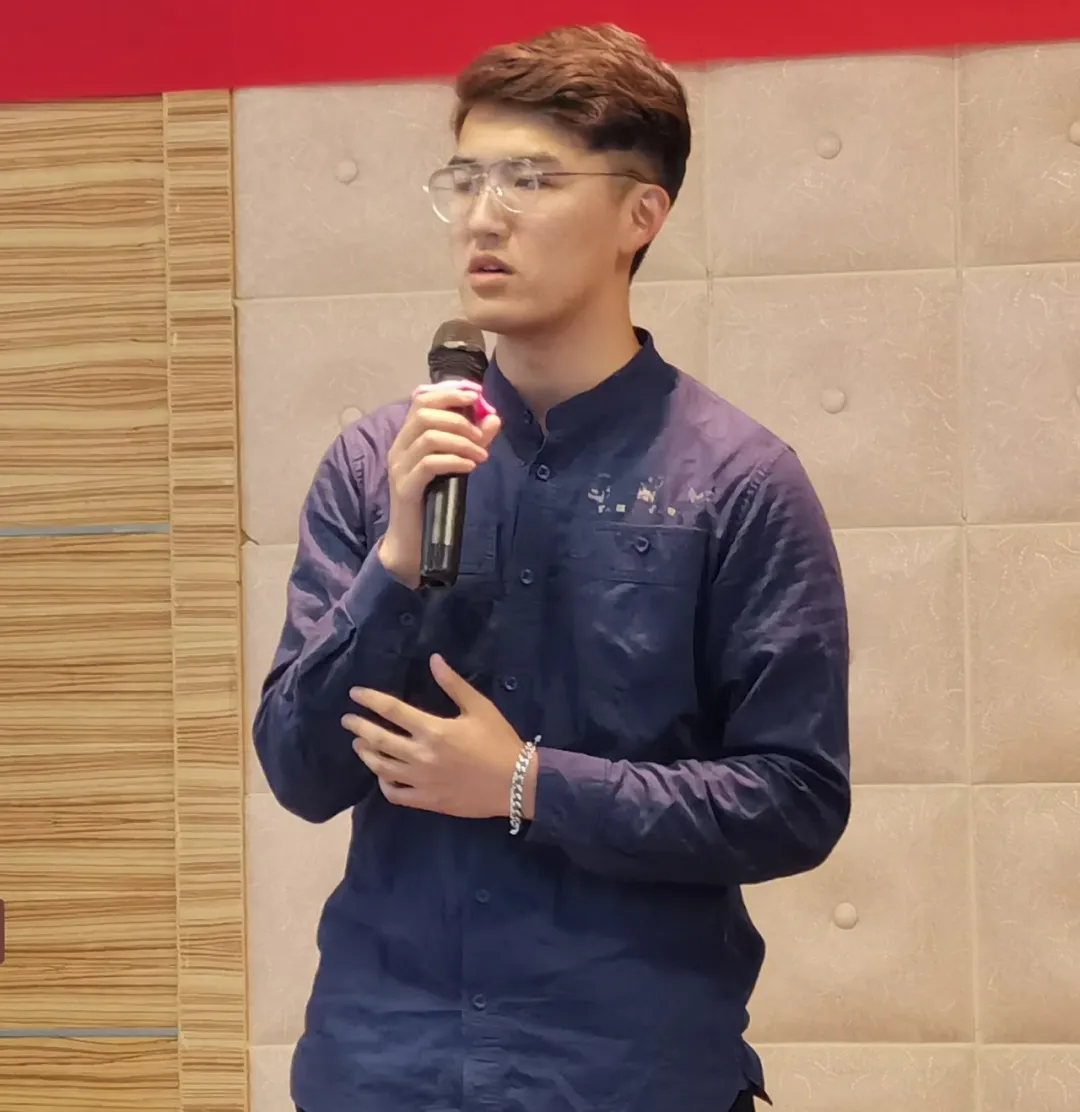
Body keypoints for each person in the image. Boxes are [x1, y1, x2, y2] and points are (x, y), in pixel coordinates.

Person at [255, 22, 851, 1112]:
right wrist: (395, 562)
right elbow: (300, 772)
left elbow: (796, 800)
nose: (483, 216)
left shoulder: (739, 482)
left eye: (529, 180)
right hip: (384, 1067)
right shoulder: (378, 466)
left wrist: (527, 784)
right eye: (465, 180)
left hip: (629, 1073)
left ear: (640, 215)